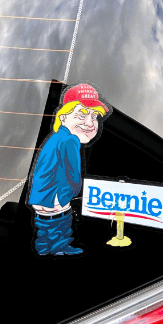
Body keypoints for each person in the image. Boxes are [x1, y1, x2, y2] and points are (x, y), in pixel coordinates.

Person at [27, 83, 110, 256]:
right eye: (82, 114)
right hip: (54, 198)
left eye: (94, 116)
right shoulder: (70, 141)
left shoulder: (56, 138)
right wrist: (72, 194)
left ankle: (43, 248)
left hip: (40, 198)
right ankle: (59, 249)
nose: (90, 123)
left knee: (44, 228)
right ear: (63, 117)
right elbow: (73, 174)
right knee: (61, 223)